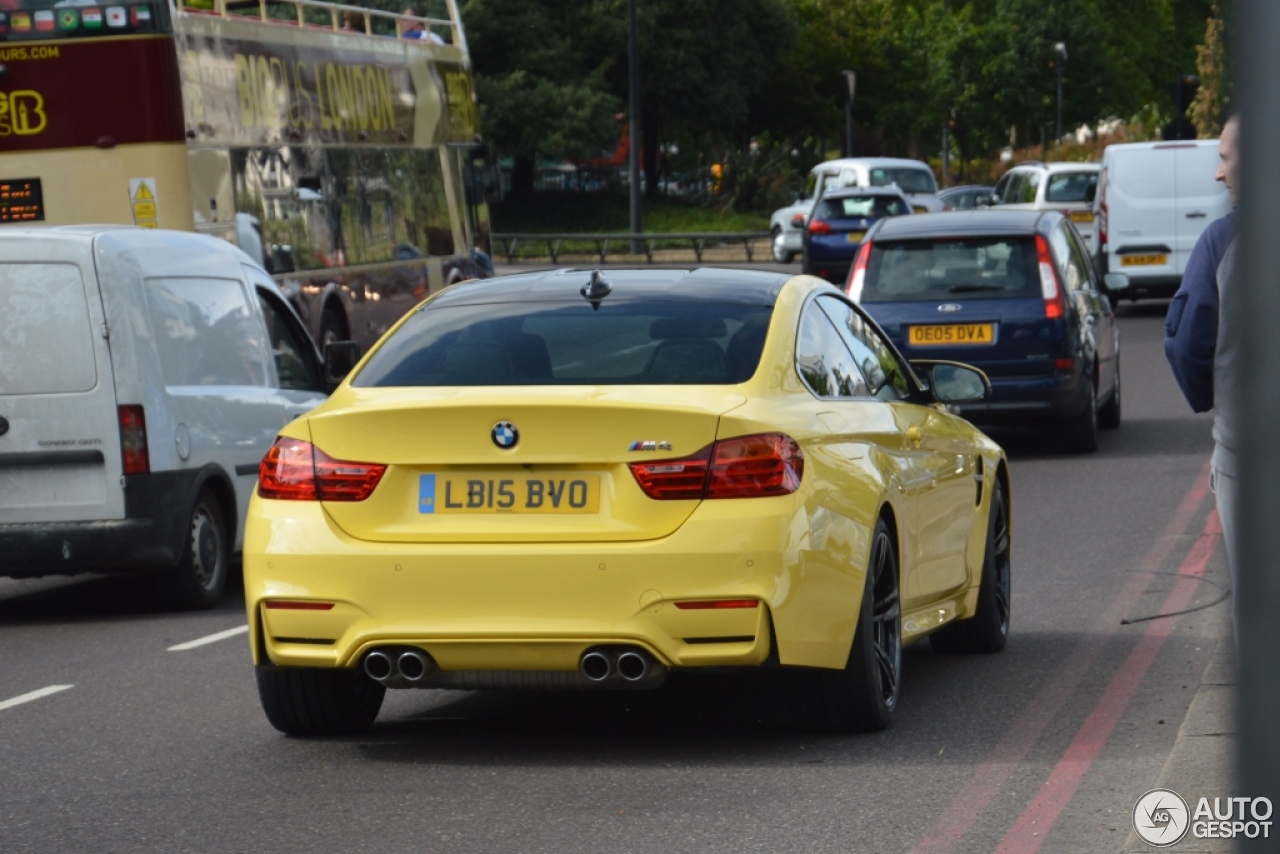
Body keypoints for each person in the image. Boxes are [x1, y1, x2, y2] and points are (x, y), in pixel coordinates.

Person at [1164, 113, 1239, 638]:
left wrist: (1217, 397)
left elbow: (1189, 343)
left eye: (1225, 157)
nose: (1218, 173)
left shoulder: (1220, 241)